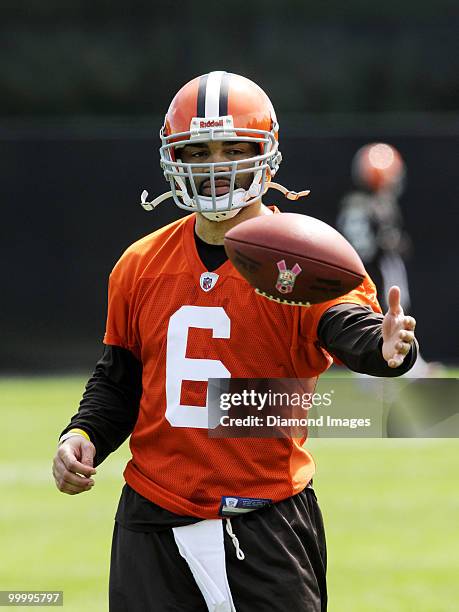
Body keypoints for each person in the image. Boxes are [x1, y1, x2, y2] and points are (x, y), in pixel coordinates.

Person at [52, 72, 418, 612]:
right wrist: (81, 433)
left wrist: (385, 347)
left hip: (261, 518)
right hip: (151, 519)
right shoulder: (139, 264)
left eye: (234, 148)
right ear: (174, 158)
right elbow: (120, 380)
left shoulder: (300, 257)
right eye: (199, 151)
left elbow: (347, 325)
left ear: (266, 154)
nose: (217, 165)